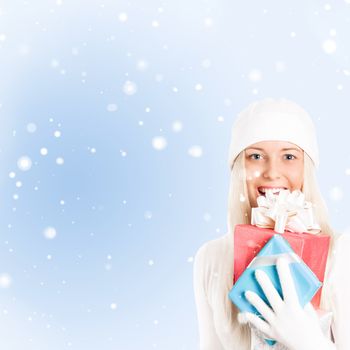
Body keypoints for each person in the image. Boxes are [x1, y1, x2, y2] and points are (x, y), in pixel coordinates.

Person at [193, 98, 350, 350]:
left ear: (306, 168)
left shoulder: (343, 253)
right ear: (238, 167)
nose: (272, 172)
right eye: (256, 156)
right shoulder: (212, 257)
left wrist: (309, 342)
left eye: (289, 156)